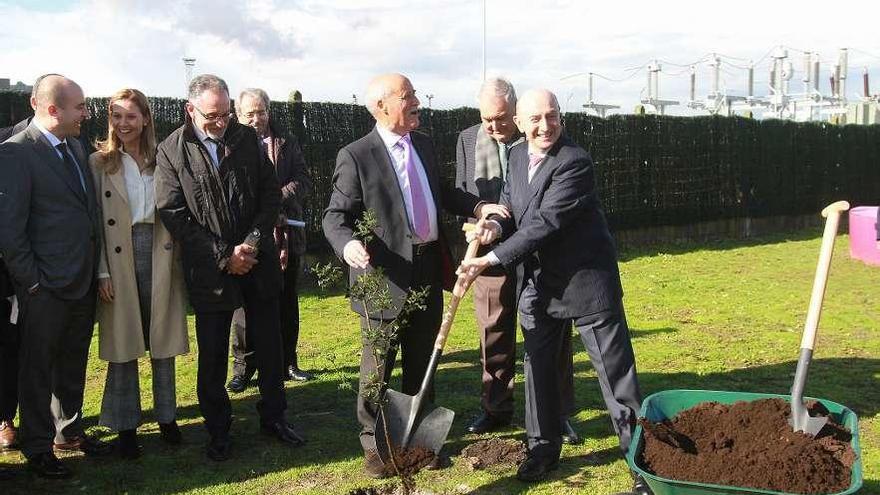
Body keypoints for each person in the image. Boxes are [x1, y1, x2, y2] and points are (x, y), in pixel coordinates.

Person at [459, 89, 651, 494]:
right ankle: (542, 450)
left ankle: (641, 464)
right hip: (539, 286)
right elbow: (513, 209)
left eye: (552, 116)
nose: (545, 126)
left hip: (586, 286)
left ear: (561, 118)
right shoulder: (514, 156)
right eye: (536, 119)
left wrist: (491, 261)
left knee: (617, 381)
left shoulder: (574, 162)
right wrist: (493, 226)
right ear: (521, 122)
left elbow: (546, 222)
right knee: (538, 372)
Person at [322, 73, 505, 478]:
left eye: (415, 93)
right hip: (382, 273)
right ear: (382, 106)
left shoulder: (422, 143)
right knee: (378, 365)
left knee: (424, 358)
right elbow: (335, 216)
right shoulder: (356, 155)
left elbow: (440, 189)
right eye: (408, 96)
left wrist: (479, 208)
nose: (418, 101)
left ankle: (419, 441)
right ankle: (374, 445)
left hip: (425, 267)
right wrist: (348, 244)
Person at [155, 74, 303, 462]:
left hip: (259, 261)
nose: (221, 123)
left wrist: (251, 244)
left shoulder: (246, 138)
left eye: (226, 114)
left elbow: (270, 195)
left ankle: (275, 417)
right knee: (214, 354)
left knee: (271, 347)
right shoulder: (172, 150)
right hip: (211, 271)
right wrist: (225, 255)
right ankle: (218, 430)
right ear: (191, 110)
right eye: (212, 116)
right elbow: (174, 212)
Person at [454, 77, 579, 443]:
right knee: (493, 331)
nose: (493, 127)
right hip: (489, 252)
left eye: (501, 119)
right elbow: (463, 191)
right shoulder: (468, 138)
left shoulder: (540, 136)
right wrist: (477, 216)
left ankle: (558, 414)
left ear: (517, 114)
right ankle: (496, 408)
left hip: (539, 252)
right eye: (486, 119)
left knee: (552, 333)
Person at [0, 74, 112, 479]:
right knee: (37, 368)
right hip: (44, 286)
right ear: (52, 109)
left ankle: (67, 431)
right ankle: (37, 445)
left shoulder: (75, 145)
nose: (87, 113)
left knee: (71, 363)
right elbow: (10, 231)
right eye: (79, 107)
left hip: (80, 281)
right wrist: (31, 283)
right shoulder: (15, 154)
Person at [89, 88, 190, 459]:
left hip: (161, 253)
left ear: (145, 118)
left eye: (131, 116)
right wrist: (102, 272)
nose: (123, 123)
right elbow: (95, 224)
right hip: (118, 256)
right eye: (116, 116)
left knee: (162, 340)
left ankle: (167, 417)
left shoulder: (163, 158)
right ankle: (125, 425)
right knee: (123, 342)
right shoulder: (99, 162)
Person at [227, 87, 314, 394]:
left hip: (287, 237)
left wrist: (275, 203)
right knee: (243, 307)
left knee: (287, 301)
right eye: (249, 113)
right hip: (247, 239)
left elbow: (303, 180)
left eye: (260, 112)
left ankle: (288, 362)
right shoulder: (230, 144)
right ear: (238, 115)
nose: (256, 119)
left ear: (268, 111)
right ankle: (243, 368)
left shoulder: (287, 143)